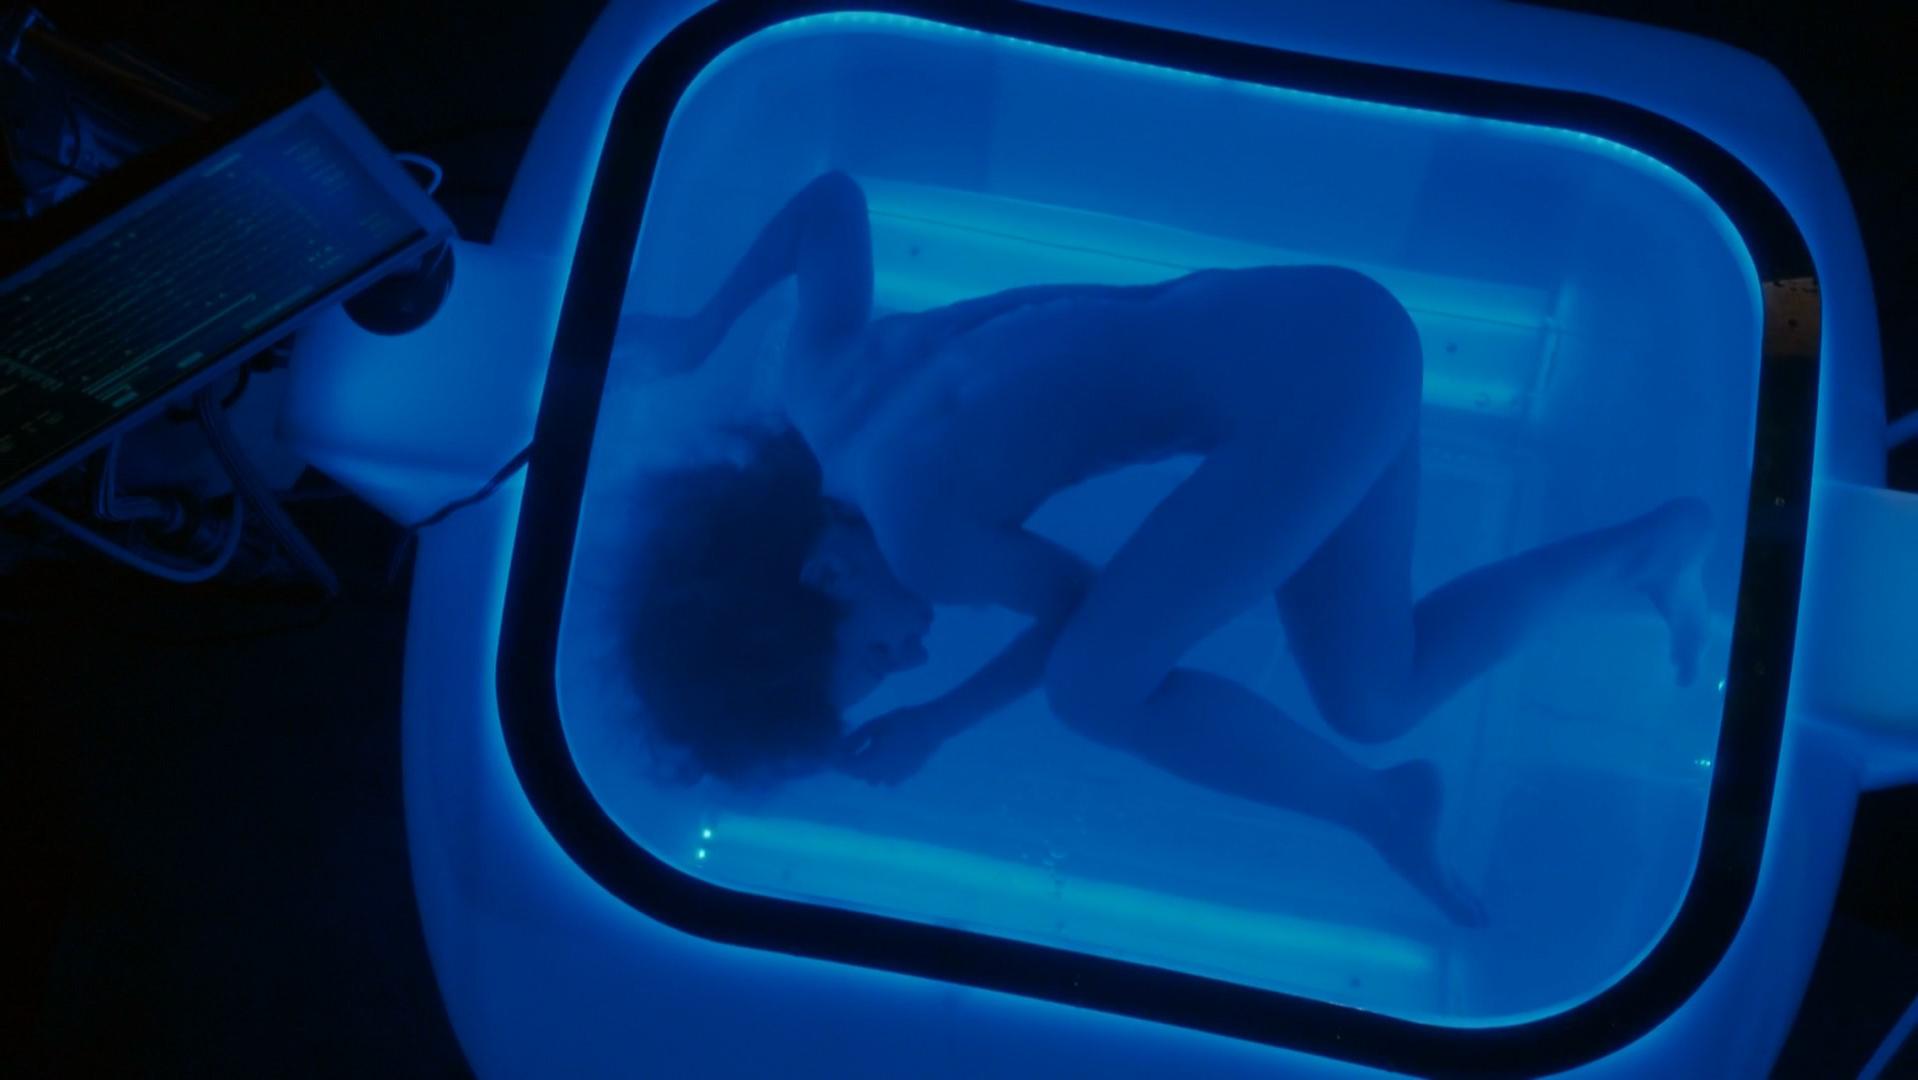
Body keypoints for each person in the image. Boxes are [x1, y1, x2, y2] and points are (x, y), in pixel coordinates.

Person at [625, 171, 1713, 925]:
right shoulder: (822, 387)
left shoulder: (919, 544)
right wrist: (698, 330)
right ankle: (1645, 555)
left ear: (822, 570)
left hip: (1322, 385)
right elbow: (829, 203)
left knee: (1092, 690)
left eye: (873, 656)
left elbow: (1081, 622)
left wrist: (934, 724)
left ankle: (1378, 807)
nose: (910, 655)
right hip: (1324, 322)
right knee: (1374, 695)